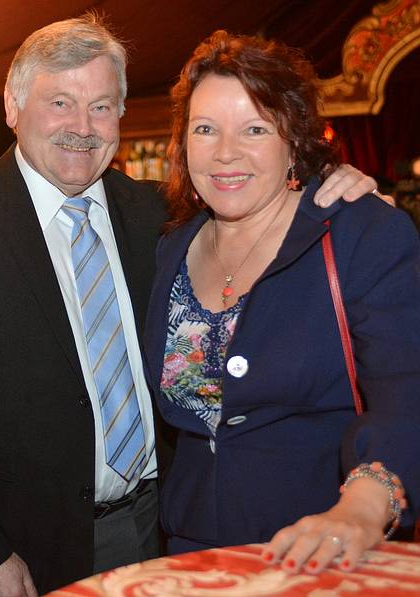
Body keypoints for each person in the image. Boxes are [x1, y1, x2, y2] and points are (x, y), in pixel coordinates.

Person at [0, 15, 381, 596]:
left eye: (101, 107)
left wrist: (332, 184)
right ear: (13, 107)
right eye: (60, 103)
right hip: (15, 550)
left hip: (160, 527)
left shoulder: (163, 217)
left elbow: (261, 197)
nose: (82, 127)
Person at [142, 30, 419, 575]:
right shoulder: (170, 245)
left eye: (255, 128)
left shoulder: (359, 231)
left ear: (294, 139)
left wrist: (365, 506)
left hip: (325, 548)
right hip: (191, 552)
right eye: (205, 129)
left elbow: (407, 390)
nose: (225, 152)